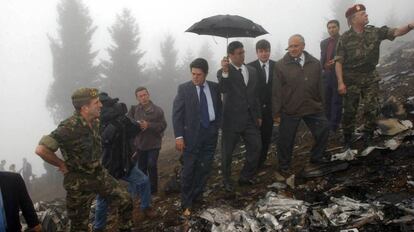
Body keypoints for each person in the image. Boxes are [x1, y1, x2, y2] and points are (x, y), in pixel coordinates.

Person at [35, 88, 134, 232]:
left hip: (99, 174)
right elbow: (41, 149)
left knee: (125, 200)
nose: (100, 105)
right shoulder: (68, 127)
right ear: (85, 108)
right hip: (78, 183)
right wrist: (61, 164)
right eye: (96, 103)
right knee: (79, 226)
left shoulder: (95, 121)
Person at [335, 4, 414, 149]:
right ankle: (347, 139)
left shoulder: (374, 32)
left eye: (365, 12)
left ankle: (368, 136)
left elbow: (395, 31)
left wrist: (409, 25)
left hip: (370, 77)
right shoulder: (345, 38)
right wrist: (340, 82)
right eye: (362, 14)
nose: (366, 15)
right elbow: (338, 61)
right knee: (350, 111)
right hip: (351, 79)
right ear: (353, 19)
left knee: (372, 108)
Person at [94, 92, 156, 231]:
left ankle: (146, 207)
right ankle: (98, 227)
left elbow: (133, 131)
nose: (99, 107)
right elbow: (105, 140)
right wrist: (116, 124)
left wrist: (137, 124)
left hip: (124, 162)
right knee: (103, 199)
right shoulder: (95, 122)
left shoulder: (120, 118)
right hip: (107, 166)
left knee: (144, 181)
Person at [272, 34, 330, 174]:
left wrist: (323, 105)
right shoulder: (280, 65)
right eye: (290, 46)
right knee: (285, 140)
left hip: (312, 106)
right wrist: (276, 112)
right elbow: (276, 90)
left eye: (295, 46)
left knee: (324, 129)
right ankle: (284, 165)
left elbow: (320, 86)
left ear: (303, 46)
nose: (292, 49)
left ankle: (317, 156)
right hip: (291, 108)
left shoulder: (315, 63)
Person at [173, 58, 222, 216]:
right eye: (193, 74)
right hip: (191, 136)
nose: (195, 77)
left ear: (206, 74)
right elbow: (177, 114)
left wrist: (217, 127)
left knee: (205, 168)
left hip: (210, 133)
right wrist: (179, 136)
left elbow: (219, 108)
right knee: (189, 169)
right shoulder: (184, 89)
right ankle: (186, 203)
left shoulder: (214, 87)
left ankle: (197, 195)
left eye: (198, 74)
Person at [217, 41, 262, 192]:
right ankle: (226, 180)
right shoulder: (224, 72)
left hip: (250, 118)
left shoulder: (252, 70)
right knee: (227, 153)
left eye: (243, 52)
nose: (243, 55)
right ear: (230, 55)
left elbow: (254, 95)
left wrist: (258, 115)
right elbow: (223, 88)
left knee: (256, 147)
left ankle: (245, 177)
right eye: (239, 53)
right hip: (231, 121)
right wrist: (224, 70)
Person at [127, 87, 167, 194]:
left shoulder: (158, 110)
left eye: (145, 95)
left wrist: (149, 125)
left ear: (148, 95)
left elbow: (163, 125)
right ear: (137, 98)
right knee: (141, 168)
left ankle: (154, 191)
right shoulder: (134, 110)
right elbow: (127, 124)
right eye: (140, 96)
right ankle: (144, 190)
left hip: (154, 143)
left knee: (151, 165)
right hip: (139, 144)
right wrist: (136, 126)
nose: (143, 98)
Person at [247, 39, 276, 169]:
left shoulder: (277, 66)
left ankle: (261, 162)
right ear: (257, 52)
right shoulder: (249, 67)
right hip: (254, 110)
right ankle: (252, 164)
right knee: (254, 140)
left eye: (266, 51)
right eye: (261, 51)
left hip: (270, 110)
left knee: (266, 137)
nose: (264, 54)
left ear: (270, 51)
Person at [320, 20, 342, 133]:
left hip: (338, 74)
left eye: (334, 27)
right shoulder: (324, 43)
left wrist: (337, 62)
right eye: (329, 28)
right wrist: (323, 67)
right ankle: (327, 124)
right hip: (326, 75)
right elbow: (322, 57)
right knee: (326, 100)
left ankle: (334, 126)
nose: (331, 29)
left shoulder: (343, 40)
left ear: (338, 28)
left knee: (336, 101)